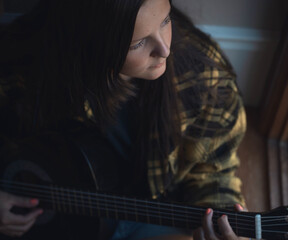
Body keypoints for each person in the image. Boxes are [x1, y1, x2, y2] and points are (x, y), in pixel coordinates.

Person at [0, 0, 247, 239]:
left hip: (153, 215)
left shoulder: (205, 80)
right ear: (90, 42)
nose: (164, 49)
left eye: (166, 20)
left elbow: (215, 170)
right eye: (138, 43)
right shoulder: (25, 61)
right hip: (58, 211)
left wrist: (224, 226)